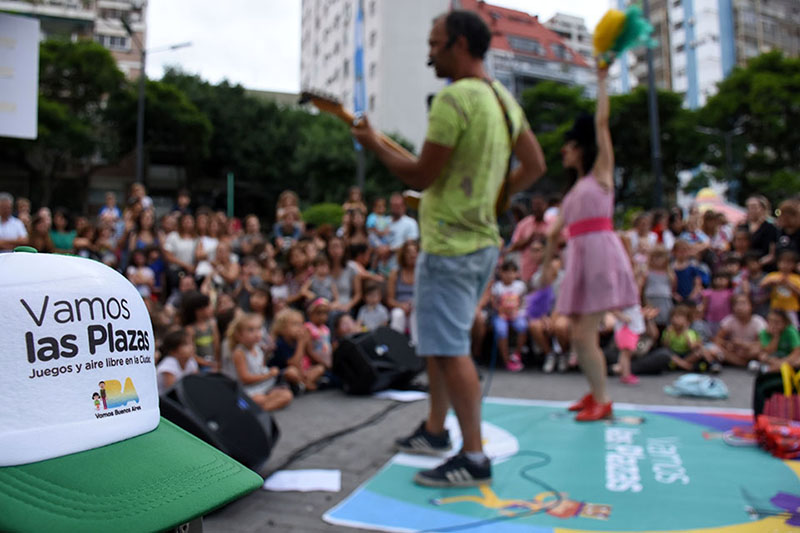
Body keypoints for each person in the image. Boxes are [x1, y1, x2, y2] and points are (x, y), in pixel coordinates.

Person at [351, 10, 546, 487]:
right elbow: (535, 164)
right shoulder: (502, 99)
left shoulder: (454, 99)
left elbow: (420, 175)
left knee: (451, 347)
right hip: (481, 241)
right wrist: (493, 198)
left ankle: (474, 456)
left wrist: (375, 142)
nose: (429, 53)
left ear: (459, 44)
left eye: (435, 44)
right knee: (439, 343)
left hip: (450, 245)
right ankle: (437, 431)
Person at [541, 65, 638, 422]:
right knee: (580, 334)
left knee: (582, 333)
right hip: (580, 260)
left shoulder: (601, 174)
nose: (563, 151)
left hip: (599, 257)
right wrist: (546, 268)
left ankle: (603, 399)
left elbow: (601, 123)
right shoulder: (572, 193)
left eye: (567, 146)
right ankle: (596, 393)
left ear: (580, 148)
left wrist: (601, 80)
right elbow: (553, 234)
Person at [225, 313, 293, 411]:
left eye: (259, 329)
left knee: (287, 395)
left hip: (263, 385)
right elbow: (245, 378)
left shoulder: (258, 348)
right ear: (239, 335)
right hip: (249, 389)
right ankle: (257, 409)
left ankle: (258, 409)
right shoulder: (239, 353)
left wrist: (269, 371)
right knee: (259, 399)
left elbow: (260, 369)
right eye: (251, 330)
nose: (257, 333)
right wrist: (268, 375)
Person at [490, 260, 528, 372]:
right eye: (506, 272)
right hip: (501, 315)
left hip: (516, 314)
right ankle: (506, 360)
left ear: (516, 273)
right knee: (501, 330)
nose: (509, 275)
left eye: (512, 272)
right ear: (501, 273)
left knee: (523, 326)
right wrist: (501, 310)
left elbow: (523, 301)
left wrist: (517, 311)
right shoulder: (497, 287)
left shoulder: (520, 286)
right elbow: (494, 303)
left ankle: (517, 354)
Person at [711, 293, 766, 367]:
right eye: (736, 304)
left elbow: (763, 343)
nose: (739, 307)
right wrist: (727, 344)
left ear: (751, 306)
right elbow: (717, 339)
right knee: (713, 349)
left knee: (758, 351)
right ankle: (744, 363)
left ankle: (739, 362)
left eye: (743, 303)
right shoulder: (729, 320)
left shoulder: (758, 321)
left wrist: (744, 344)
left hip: (748, 351)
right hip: (734, 351)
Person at [180, 291, 221, 372]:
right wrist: (204, 363)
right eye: (208, 306)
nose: (211, 308)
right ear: (198, 311)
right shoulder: (190, 329)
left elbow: (216, 346)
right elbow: (192, 352)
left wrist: (216, 362)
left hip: (213, 363)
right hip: (201, 366)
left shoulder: (212, 325)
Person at [387, 240, 418, 338]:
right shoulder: (395, 273)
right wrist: (401, 306)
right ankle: (396, 347)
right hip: (400, 307)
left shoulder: (422, 274)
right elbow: (390, 300)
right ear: (403, 255)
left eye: (414, 252)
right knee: (398, 315)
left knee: (415, 315)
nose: (412, 255)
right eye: (408, 252)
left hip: (417, 307)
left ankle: (416, 347)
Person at [760, 250, 800, 326]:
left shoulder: (796, 278)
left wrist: (789, 284)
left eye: (789, 263)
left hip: (790, 309)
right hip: (776, 308)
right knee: (774, 326)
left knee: (793, 327)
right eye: (783, 262)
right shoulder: (774, 275)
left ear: (794, 265)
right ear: (778, 263)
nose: (785, 265)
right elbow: (762, 284)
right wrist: (774, 281)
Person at [156, 329, 199, 394]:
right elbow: (171, 393)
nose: (192, 347)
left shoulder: (191, 362)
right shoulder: (168, 366)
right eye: (186, 345)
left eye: (192, 343)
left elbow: (196, 383)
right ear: (173, 351)